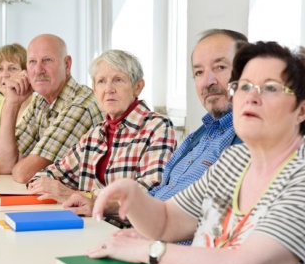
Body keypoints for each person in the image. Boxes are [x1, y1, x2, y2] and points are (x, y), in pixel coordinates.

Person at [88, 41, 305, 264]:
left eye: (271, 88)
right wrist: (133, 194)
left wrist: (146, 250)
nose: (251, 97)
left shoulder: (300, 176)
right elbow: (167, 221)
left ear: (301, 110)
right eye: (243, 86)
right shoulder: (234, 160)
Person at [63, 29, 246, 219]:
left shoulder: (248, 139)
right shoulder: (201, 135)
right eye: (199, 72)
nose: (208, 81)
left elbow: (202, 220)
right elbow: (158, 199)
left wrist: (93, 199)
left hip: (155, 240)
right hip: (140, 232)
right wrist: (98, 205)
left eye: (220, 67)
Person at [27, 50, 176, 216]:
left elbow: (151, 190)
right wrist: (43, 185)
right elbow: (47, 175)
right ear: (95, 90)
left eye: (118, 80)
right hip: (89, 226)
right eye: (101, 82)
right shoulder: (96, 133)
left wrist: (85, 196)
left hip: (129, 232)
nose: (109, 89)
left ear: (137, 87)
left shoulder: (158, 127)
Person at [0, 34, 103, 182]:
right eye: (32, 62)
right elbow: (3, 165)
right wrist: (12, 103)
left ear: (67, 64)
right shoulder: (41, 102)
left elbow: (24, 173)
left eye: (47, 60)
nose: (38, 70)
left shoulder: (81, 105)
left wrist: (22, 162)